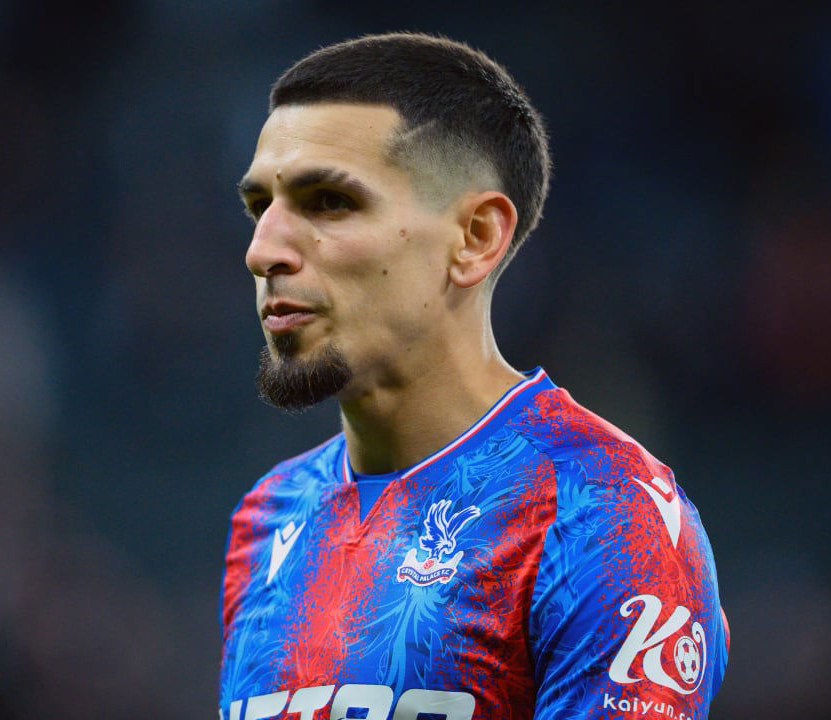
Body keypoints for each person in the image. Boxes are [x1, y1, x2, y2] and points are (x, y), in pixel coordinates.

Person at [220, 33, 728, 720]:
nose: (263, 251)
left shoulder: (601, 513)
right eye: (261, 207)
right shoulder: (269, 515)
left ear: (476, 238)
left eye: (329, 201)